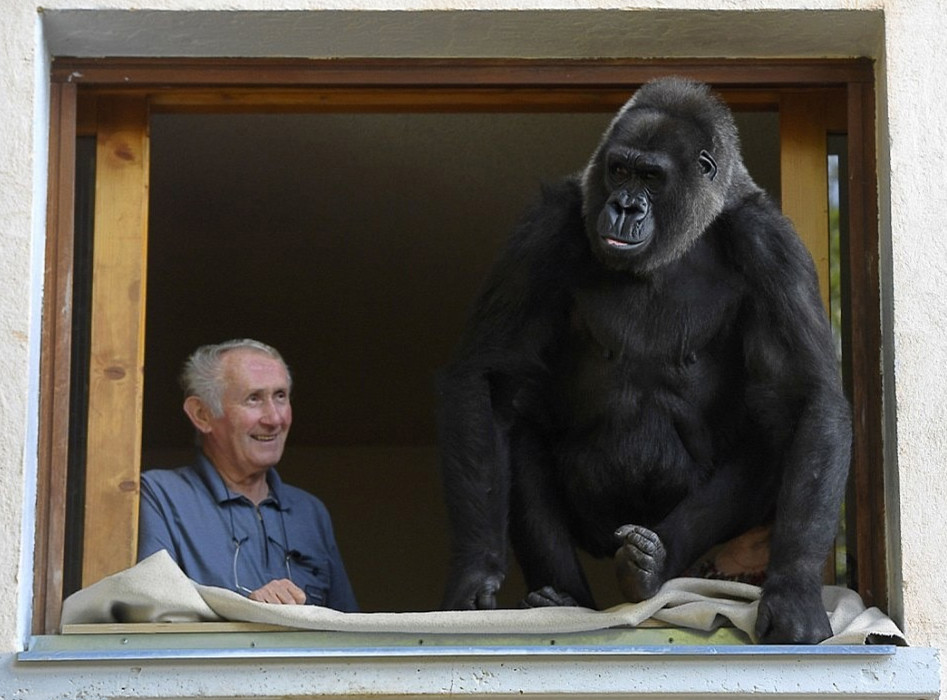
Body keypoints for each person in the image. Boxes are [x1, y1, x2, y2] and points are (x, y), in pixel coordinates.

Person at [137, 338, 358, 611]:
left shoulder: (310, 512)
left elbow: (346, 629)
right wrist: (245, 611)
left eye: (280, 396)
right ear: (202, 414)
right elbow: (151, 617)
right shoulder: (159, 496)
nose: (274, 418)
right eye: (253, 399)